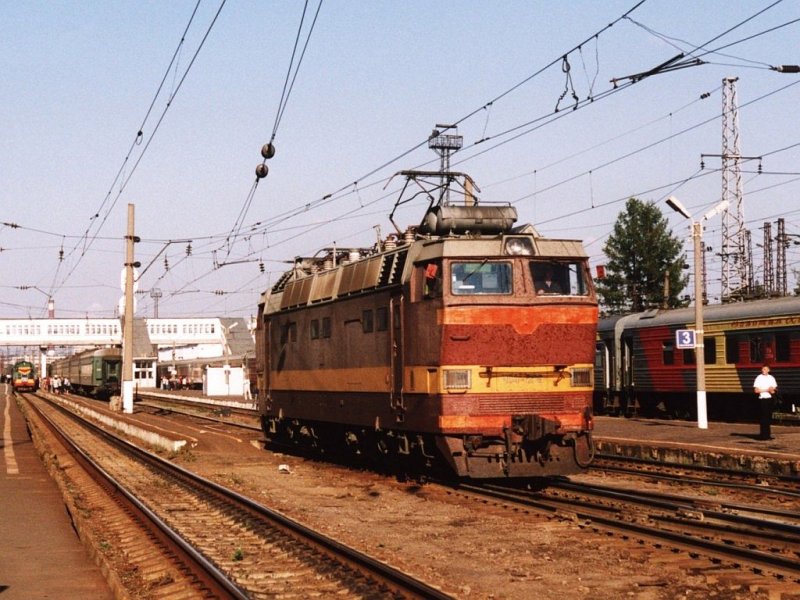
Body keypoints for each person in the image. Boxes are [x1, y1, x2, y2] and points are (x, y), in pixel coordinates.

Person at [753, 365, 777, 440]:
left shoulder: (771, 378)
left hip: (770, 398)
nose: (763, 370)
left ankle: (767, 435)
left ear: (768, 370)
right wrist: (767, 390)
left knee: (768, 417)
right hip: (762, 399)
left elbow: (774, 389)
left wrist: (772, 390)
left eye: (765, 369)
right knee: (763, 417)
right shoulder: (759, 377)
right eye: (763, 369)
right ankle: (763, 435)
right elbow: (756, 390)